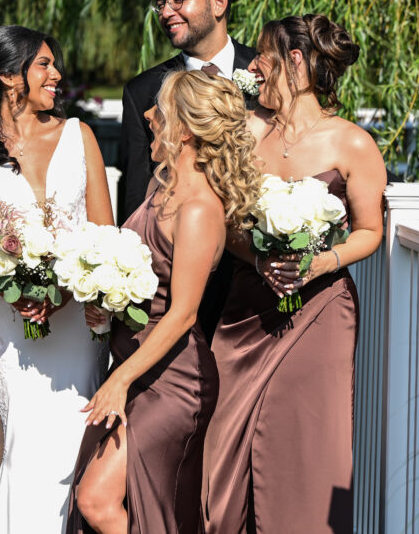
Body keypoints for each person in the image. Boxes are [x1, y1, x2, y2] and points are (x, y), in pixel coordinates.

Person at [203, 14, 387, 534]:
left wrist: (319, 263)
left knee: (307, 445)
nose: (254, 65)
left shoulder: (352, 144)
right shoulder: (247, 132)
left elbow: (368, 232)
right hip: (244, 314)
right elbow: (224, 221)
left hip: (320, 313)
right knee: (222, 448)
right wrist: (258, 258)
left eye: (263, 54)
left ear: (297, 62)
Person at [68, 70, 261, 534]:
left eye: (161, 109)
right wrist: (104, 302)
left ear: (187, 129)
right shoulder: (162, 188)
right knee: (121, 501)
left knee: (98, 500)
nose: (149, 115)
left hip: (174, 380)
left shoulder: (198, 210)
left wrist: (120, 381)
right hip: (136, 365)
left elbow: (183, 313)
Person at [0, 25, 115, 534]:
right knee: (25, 451)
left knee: (68, 457)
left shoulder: (78, 135)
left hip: (79, 326)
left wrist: (72, 292)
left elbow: (105, 231)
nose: (56, 75)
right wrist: (16, 292)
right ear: (8, 75)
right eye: (43, 64)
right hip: (15, 324)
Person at [119, 0, 256, 340]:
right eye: (160, 3)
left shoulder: (267, 75)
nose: (165, 12)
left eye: (178, 0)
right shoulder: (143, 91)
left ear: (218, 1)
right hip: (173, 291)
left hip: (258, 287)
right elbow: (136, 199)